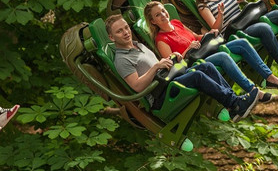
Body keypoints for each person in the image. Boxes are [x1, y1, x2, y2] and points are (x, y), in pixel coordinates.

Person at [106, 14, 259, 122]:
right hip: (160, 96)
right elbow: (137, 86)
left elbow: (156, 66)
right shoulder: (121, 59)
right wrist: (156, 67)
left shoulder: (137, 45)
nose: (126, 32)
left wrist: (170, 59)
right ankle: (236, 104)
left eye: (126, 28)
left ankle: (234, 105)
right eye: (119, 31)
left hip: (167, 79)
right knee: (197, 76)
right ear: (112, 38)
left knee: (206, 67)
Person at [145, 1, 278, 93]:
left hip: (206, 50)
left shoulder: (176, 23)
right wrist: (188, 49)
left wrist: (209, 34)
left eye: (163, 10)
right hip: (196, 63)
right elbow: (174, 65)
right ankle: (252, 90)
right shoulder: (161, 40)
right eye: (158, 15)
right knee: (224, 56)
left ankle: (269, 78)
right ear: (153, 21)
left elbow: (195, 37)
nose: (163, 15)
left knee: (242, 43)